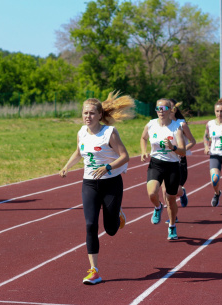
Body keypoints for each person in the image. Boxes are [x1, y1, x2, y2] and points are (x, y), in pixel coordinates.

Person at [59, 91, 134, 285]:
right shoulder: (81, 132)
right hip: (89, 183)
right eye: (85, 113)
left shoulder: (109, 132)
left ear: (100, 115)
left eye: (92, 113)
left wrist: (108, 166)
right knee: (90, 225)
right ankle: (94, 270)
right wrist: (67, 166)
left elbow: (125, 156)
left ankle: (117, 213)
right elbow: (78, 152)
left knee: (110, 230)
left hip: (111, 183)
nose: (87, 116)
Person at [140, 98, 186, 240]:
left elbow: (183, 151)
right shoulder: (151, 124)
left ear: (169, 110)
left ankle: (172, 226)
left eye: (163, 108)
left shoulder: (176, 128)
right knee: (152, 193)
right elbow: (143, 138)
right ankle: (158, 207)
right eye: (158, 109)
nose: (160, 111)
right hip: (156, 164)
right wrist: (143, 151)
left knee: (171, 199)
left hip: (172, 166)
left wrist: (173, 147)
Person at [162, 99, 196, 224]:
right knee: (165, 189)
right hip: (164, 159)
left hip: (179, 160)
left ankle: (182, 193)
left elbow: (193, 141)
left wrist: (181, 150)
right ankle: (173, 217)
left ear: (174, 109)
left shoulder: (181, 124)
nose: (166, 110)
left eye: (169, 107)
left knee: (175, 190)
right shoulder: (160, 124)